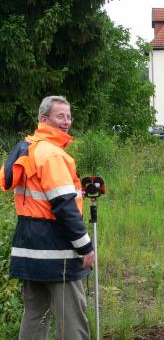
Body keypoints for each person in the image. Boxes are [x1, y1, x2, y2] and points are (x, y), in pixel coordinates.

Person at [0, 96, 95, 339]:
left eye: (69, 116)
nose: (67, 122)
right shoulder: (51, 154)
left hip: (28, 249)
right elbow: (63, 204)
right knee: (72, 320)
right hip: (57, 251)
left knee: (35, 317)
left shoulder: (26, 148)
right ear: (44, 120)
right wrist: (85, 246)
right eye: (60, 116)